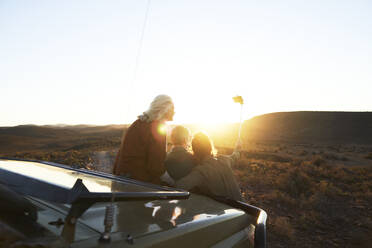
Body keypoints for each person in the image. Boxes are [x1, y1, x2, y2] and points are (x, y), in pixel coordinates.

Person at [113, 95, 175, 184]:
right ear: (165, 109)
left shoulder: (138, 123)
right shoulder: (157, 127)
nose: (174, 112)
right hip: (139, 184)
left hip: (120, 178)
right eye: (172, 108)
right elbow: (156, 168)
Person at [176, 132, 242, 201]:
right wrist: (238, 149)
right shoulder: (225, 160)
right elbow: (234, 157)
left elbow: (179, 187)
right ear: (210, 147)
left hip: (231, 210)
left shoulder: (201, 172)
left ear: (194, 152)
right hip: (246, 208)